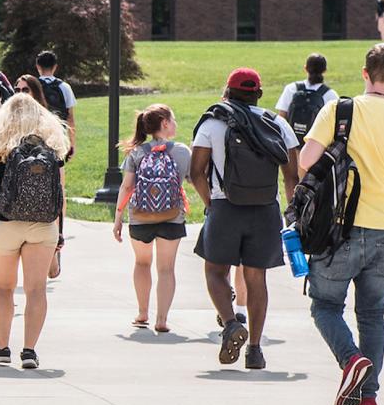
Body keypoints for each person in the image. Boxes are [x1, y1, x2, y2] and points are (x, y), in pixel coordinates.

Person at [301, 44, 384, 405]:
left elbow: (306, 159)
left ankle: (351, 360)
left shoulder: (339, 110)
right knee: (373, 315)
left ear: (365, 73)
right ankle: (367, 400)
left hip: (339, 228)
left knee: (325, 305)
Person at [189, 68, 302, 371]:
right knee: (256, 279)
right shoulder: (277, 123)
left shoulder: (213, 123)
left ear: (227, 91)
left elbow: (195, 170)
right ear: (259, 94)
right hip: (266, 210)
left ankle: (229, 323)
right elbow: (292, 175)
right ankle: (255, 350)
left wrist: (210, 202)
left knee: (215, 271)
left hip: (225, 207)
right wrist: (292, 214)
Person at [0, 92, 71, 370]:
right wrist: (60, 233)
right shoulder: (52, 146)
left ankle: (1, 348)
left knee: (3, 287)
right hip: (43, 225)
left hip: (6, 224)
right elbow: (59, 194)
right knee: (36, 289)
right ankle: (29, 351)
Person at [112, 104, 192, 334]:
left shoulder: (137, 152)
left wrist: (118, 218)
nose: (175, 124)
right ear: (165, 123)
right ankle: (162, 319)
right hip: (172, 216)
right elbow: (192, 178)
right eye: (173, 120)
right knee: (166, 269)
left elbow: (126, 186)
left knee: (142, 263)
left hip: (140, 217)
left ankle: (142, 312)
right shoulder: (181, 151)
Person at [274, 53, 339, 142]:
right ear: (325, 70)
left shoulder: (291, 89)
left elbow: (281, 118)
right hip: (316, 145)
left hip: (292, 143)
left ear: (305, 68)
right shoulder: (330, 94)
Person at [34, 51, 79, 151]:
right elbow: (70, 117)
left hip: (36, 136)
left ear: (38, 66)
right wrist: (72, 143)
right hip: (58, 135)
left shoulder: (32, 86)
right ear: (55, 66)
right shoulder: (65, 87)